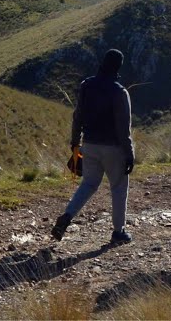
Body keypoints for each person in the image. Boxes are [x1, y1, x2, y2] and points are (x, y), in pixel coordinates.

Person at [51, 48, 135, 246]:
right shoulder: (120, 92)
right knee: (118, 188)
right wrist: (129, 153)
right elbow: (124, 128)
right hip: (114, 148)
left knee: (88, 184)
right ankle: (118, 232)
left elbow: (77, 115)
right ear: (118, 67)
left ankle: (67, 216)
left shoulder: (86, 85)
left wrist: (75, 141)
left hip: (89, 144)